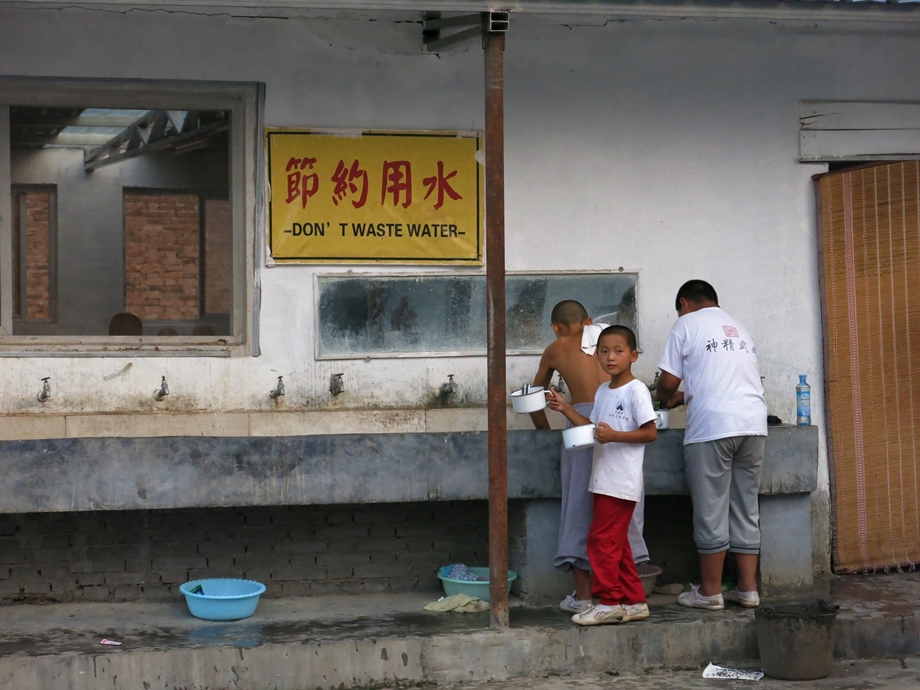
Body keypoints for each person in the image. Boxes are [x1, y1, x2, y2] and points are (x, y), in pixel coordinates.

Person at [529, 300, 652, 615]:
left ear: (557, 327)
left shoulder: (557, 347)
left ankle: (585, 598)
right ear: (589, 321)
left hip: (585, 428)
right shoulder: (614, 350)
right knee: (622, 514)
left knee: (578, 510)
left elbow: (532, 399)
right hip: (611, 425)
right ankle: (630, 595)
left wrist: (543, 432)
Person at [654, 280, 767, 610]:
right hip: (753, 425)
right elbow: (722, 378)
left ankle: (710, 592)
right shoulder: (739, 327)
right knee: (746, 507)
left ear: (684, 303)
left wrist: (662, 397)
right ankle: (748, 589)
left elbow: (667, 382)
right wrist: (685, 397)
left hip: (713, 428)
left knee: (710, 510)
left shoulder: (685, 324)